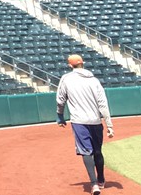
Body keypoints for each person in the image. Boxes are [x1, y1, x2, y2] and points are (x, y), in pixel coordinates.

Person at [56, 54, 114, 194]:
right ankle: (101, 179)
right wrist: (109, 125)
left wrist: (60, 116)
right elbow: (103, 104)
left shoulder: (66, 79)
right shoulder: (94, 80)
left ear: (70, 65)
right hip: (95, 120)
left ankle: (93, 184)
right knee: (98, 151)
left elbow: (60, 100)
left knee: (85, 151)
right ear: (83, 63)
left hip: (79, 121)